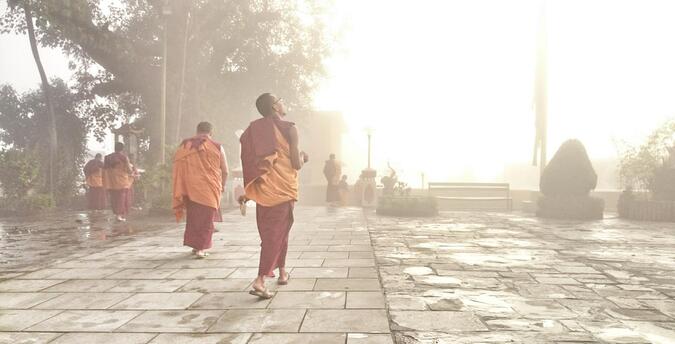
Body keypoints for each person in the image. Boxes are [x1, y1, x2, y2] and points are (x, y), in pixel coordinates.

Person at [240, 93, 308, 299]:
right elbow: (296, 164)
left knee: (277, 231)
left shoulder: (253, 130)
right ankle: (260, 280)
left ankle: (282, 271)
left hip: (264, 190)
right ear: (275, 107)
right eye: (281, 100)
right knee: (274, 235)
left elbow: (249, 160)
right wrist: (304, 157)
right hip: (283, 189)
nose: (284, 102)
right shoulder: (290, 128)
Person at [173, 122, 228, 258]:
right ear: (211, 133)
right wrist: (222, 185)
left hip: (190, 188)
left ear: (197, 131)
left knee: (194, 218)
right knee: (206, 220)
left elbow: (178, 166)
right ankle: (200, 249)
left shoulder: (185, 145)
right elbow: (225, 170)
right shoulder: (217, 146)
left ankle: (195, 246)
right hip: (210, 187)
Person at [103, 142, 133, 222]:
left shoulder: (107, 157)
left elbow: (104, 169)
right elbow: (129, 169)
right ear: (122, 149)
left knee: (114, 198)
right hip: (121, 180)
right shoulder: (123, 157)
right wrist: (132, 173)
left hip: (111, 181)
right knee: (121, 198)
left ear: (115, 148)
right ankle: (119, 216)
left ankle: (116, 214)